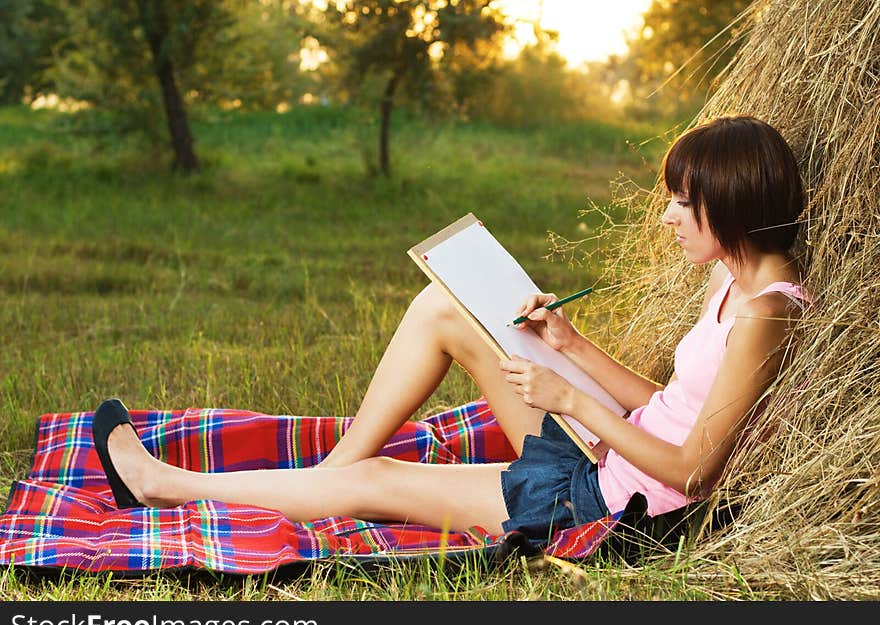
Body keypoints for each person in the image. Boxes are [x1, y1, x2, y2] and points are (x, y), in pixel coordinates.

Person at [92, 114, 809, 547]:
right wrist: (569, 342)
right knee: (441, 306)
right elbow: (679, 401)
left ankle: (162, 485)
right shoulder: (733, 279)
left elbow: (692, 468)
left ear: (731, 202)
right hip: (605, 450)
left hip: (606, 505)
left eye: (683, 202)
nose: (668, 218)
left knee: (379, 483)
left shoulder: (767, 312)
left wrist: (572, 400)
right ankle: (328, 473)